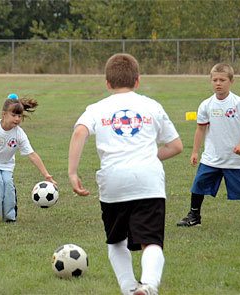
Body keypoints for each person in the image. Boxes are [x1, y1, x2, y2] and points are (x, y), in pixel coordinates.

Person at [68, 53, 183, 295]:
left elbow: (80, 132)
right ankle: (149, 285)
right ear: (137, 80)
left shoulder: (97, 108)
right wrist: (149, 155)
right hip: (148, 181)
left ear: (107, 83)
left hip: (113, 182)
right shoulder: (152, 106)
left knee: (116, 240)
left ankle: (129, 288)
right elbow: (176, 146)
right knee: (151, 241)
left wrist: (73, 172)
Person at [177, 63, 240, 230]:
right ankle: (194, 215)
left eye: (222, 80)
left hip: (234, 158)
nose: (218, 83)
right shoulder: (206, 104)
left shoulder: (238, 103)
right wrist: (195, 151)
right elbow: (200, 128)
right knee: (198, 185)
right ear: (210, 81)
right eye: (215, 80)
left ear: (231, 81)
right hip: (211, 157)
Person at [0, 94, 57, 224]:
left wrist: (46, 174)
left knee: (8, 185)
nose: (17, 119)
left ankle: (10, 217)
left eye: (20, 116)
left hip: (6, 164)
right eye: (14, 115)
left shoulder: (19, 133)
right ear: (4, 114)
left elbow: (32, 154)